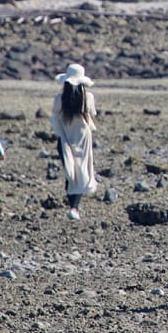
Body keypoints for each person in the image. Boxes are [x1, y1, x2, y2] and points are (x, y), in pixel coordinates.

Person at [51, 63, 98, 221]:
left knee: (70, 172)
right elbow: (92, 113)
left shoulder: (60, 98)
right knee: (81, 169)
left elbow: (55, 116)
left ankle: (73, 207)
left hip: (65, 136)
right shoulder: (87, 97)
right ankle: (74, 208)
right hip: (82, 137)